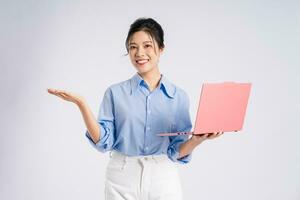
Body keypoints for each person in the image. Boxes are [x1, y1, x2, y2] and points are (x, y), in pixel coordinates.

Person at [47, 17, 224, 200]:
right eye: (133, 47)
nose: (139, 53)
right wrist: (81, 103)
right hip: (121, 176)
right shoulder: (115, 93)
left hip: (163, 177)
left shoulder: (179, 97)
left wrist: (197, 140)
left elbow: (176, 150)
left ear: (161, 49)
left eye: (147, 45)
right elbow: (103, 142)